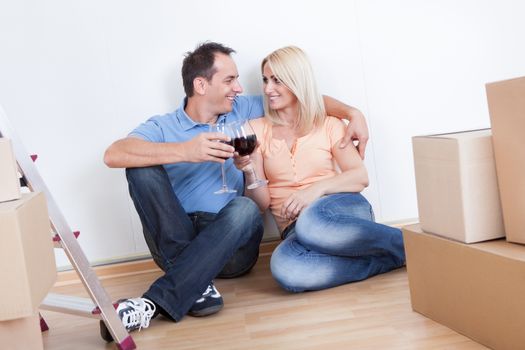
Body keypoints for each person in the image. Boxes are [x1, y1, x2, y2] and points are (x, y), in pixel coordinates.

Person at [102, 41, 370, 337]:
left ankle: (157, 300)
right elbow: (113, 153)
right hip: (175, 234)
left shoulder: (243, 110)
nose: (240, 88)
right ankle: (197, 283)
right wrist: (184, 151)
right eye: (229, 80)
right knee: (140, 168)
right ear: (201, 85)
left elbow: (301, 96)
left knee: (244, 207)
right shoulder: (164, 126)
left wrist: (352, 111)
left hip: (232, 241)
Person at [234, 46, 405, 293]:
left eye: (277, 80)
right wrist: (249, 171)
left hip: (341, 210)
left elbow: (360, 177)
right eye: (265, 80)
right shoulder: (256, 129)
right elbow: (261, 205)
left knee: (311, 222)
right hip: (294, 228)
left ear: (297, 81)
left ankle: (413, 245)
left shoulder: (328, 124)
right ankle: (389, 258)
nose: (268, 89)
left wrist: (313, 191)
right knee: (285, 269)